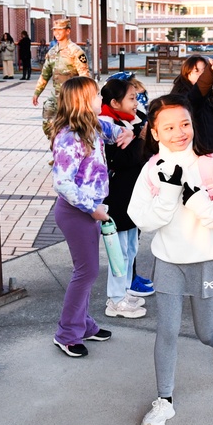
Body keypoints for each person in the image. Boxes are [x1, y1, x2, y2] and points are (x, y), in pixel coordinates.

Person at [128, 95, 213, 425]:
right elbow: (142, 219)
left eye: (184, 124)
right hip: (168, 262)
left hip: (206, 260)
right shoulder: (151, 171)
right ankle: (164, 401)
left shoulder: (209, 166)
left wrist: (199, 203)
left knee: (206, 331)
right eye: (169, 127)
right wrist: (168, 194)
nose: (179, 132)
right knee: (166, 331)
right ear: (154, 132)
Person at [49, 76, 133, 357]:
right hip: (77, 212)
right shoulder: (68, 137)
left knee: (87, 271)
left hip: (89, 211)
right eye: (96, 95)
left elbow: (116, 130)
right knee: (86, 272)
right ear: (83, 101)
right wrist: (92, 208)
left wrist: (127, 132)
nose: (101, 99)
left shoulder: (93, 126)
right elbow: (62, 183)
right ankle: (67, 333)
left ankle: (83, 325)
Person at [99, 77, 148, 319]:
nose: (136, 103)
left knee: (131, 248)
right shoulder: (108, 126)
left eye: (136, 98)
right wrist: (141, 138)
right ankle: (115, 300)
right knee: (118, 253)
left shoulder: (131, 122)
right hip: (117, 199)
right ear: (115, 103)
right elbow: (123, 160)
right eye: (131, 98)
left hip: (132, 198)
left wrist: (138, 133)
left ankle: (125, 291)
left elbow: (147, 126)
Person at [32, 18, 91, 137]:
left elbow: (85, 76)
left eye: (60, 29)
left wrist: (85, 98)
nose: (57, 33)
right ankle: (54, 144)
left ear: (68, 31)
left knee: (72, 128)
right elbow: (45, 74)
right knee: (48, 122)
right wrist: (37, 92)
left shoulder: (76, 52)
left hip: (72, 97)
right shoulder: (52, 52)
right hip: (56, 96)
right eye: (55, 30)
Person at [170, 55, 213, 166]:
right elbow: (195, 98)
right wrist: (210, 75)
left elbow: (209, 128)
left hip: (208, 155)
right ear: (186, 74)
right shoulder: (182, 97)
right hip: (194, 159)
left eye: (204, 71)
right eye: (197, 71)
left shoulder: (207, 96)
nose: (201, 74)